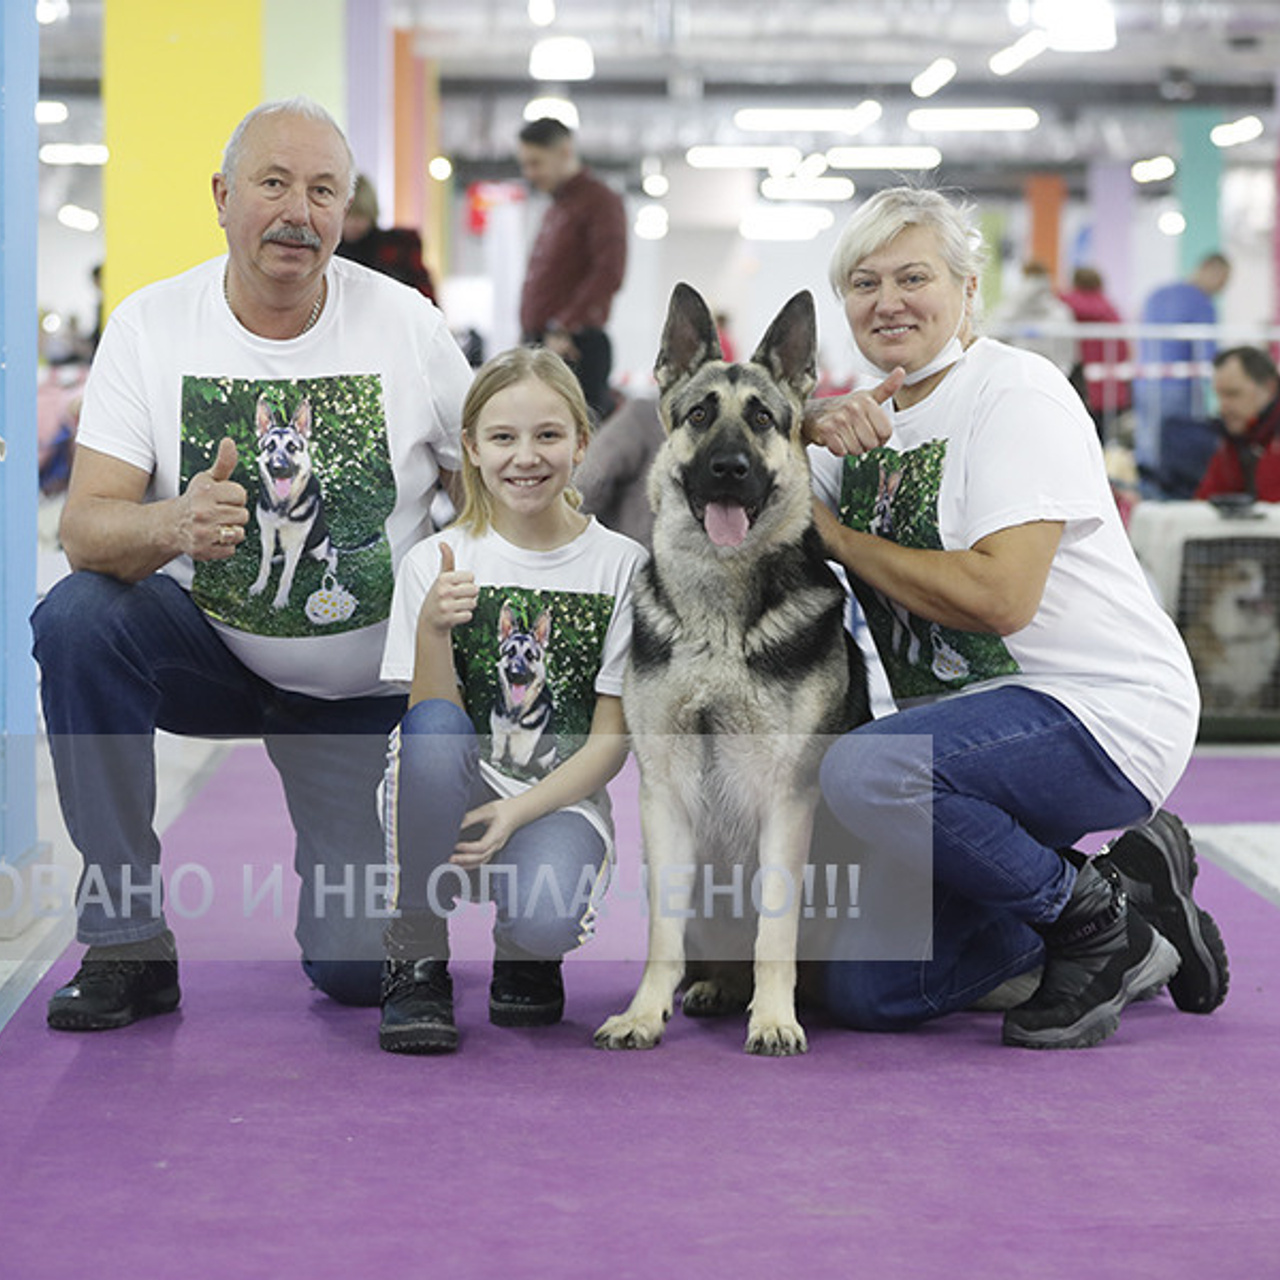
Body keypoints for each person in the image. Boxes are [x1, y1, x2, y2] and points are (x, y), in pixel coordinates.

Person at [31, 97, 473, 1030]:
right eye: (273, 183)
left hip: (357, 693)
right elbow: (85, 530)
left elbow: (498, 492)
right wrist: (174, 524)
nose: (297, 213)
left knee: (354, 973)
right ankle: (128, 944)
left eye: (324, 191)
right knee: (76, 619)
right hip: (208, 651)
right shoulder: (151, 326)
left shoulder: (408, 327)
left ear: (345, 213)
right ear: (223, 197)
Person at [803, 186, 1229, 1050]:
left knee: (866, 772)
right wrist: (796, 421)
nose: (887, 300)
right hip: (965, 741)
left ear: (968, 290)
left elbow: (1002, 598)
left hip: (1099, 708)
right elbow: (723, 505)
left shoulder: (1015, 392)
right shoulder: (851, 424)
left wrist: (840, 540)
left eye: (912, 276)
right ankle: (1131, 904)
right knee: (860, 988)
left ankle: (1087, 923)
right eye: (863, 282)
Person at [376, 346, 646, 1053]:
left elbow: (611, 741)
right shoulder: (434, 560)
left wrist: (517, 813)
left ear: (583, 442)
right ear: (470, 446)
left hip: (556, 797)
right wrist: (435, 628)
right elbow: (428, 724)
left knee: (546, 916)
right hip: (448, 785)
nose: (525, 456)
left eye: (548, 435)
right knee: (434, 727)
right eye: (502, 437)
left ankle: (526, 948)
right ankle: (417, 942)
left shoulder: (622, 567)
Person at [517, 117, 628, 423]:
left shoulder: (600, 201)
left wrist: (563, 325)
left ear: (565, 151)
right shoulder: (558, 206)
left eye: (536, 162)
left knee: (577, 456)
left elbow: (609, 271)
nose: (529, 173)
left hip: (573, 348)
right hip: (545, 343)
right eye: (525, 164)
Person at [1133, 252, 1231, 499]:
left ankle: (1145, 499)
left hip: (1144, 383)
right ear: (1211, 269)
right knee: (1177, 451)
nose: (1221, 289)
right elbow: (1208, 355)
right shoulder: (1202, 303)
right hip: (1179, 388)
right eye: (1223, 281)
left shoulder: (1157, 294)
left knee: (1147, 447)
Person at [573, 392, 666, 549]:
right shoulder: (645, 416)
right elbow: (591, 480)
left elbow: (591, 479)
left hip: (629, 553)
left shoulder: (646, 414)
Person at [1194, 345, 1280, 503]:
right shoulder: (1235, 440)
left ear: (1269, 388)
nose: (1223, 406)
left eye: (1233, 394)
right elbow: (1205, 503)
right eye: (1219, 396)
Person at [336, 173, 438, 303]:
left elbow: (425, 297)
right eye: (348, 216)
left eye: (361, 216)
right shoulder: (328, 253)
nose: (353, 223)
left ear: (371, 214)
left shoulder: (399, 246)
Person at [1059, 265, 1131, 442]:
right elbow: (1124, 351)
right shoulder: (1110, 309)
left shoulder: (1065, 305)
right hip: (1112, 390)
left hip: (1082, 387)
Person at [989, 259, 1076, 375]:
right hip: (1047, 373)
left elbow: (994, 336)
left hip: (1022, 371)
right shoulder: (1061, 311)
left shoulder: (1010, 309)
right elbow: (1067, 354)